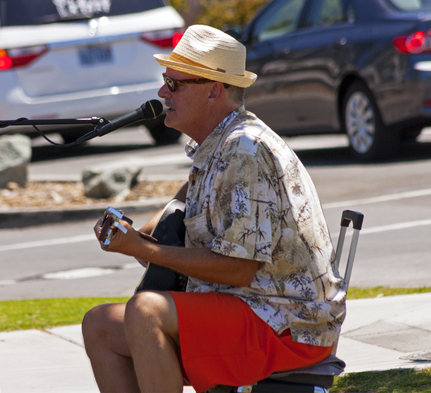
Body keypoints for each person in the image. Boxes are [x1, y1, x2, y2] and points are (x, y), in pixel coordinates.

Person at [82, 25, 346, 393]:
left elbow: (238, 268)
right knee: (100, 325)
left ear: (213, 90)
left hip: (287, 324)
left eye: (175, 85)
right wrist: (137, 237)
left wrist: (142, 249)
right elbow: (174, 219)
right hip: (247, 310)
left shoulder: (244, 150)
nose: (161, 93)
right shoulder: (212, 147)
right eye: (164, 81)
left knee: (146, 312)